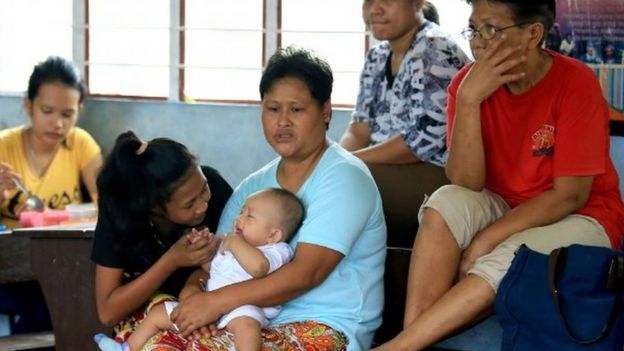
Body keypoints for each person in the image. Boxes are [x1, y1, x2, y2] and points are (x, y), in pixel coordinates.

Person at [373, 0, 624, 350]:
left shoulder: (575, 82)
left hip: (583, 215)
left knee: (510, 251)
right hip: (503, 203)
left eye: (491, 29)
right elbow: (465, 181)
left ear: (533, 34)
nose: (477, 41)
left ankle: (401, 346)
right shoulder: (466, 84)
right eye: (473, 29)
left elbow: (570, 195)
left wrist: (487, 239)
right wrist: (470, 100)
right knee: (445, 201)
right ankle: (415, 337)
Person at [141, 46, 387, 351]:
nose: (283, 121)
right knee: (153, 341)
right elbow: (213, 264)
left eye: (296, 110)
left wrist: (214, 302)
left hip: (326, 327)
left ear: (326, 112)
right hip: (248, 321)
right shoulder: (254, 186)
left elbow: (306, 273)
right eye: (272, 109)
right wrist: (194, 299)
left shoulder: (345, 177)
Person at [94, 187, 303, 351]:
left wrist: (233, 243)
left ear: (273, 235)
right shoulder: (233, 244)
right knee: (159, 315)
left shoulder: (275, 250)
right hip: (206, 306)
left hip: (242, 307)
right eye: (241, 212)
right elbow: (212, 268)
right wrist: (204, 250)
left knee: (248, 328)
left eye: (250, 217)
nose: (239, 219)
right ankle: (127, 347)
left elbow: (259, 268)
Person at [339, 0, 469, 240]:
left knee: (339, 186)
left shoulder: (434, 48)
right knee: (320, 176)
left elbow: (419, 145)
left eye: (387, 1)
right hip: (383, 166)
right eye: (368, 1)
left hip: (436, 173)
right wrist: (332, 158)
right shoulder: (377, 57)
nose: (374, 9)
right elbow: (359, 128)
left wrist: (345, 162)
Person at [91, 131, 232, 341]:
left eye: (204, 188)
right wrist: (172, 260)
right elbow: (108, 312)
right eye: (189, 204)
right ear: (154, 209)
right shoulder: (122, 214)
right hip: (151, 316)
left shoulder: (216, 188)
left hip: (212, 303)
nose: (203, 204)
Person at [0, 55, 103, 337]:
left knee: (77, 289)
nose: (57, 124)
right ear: (28, 105)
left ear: (79, 110)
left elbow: (105, 199)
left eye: (67, 114)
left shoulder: (81, 144)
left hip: (63, 263)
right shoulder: (4, 149)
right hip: (11, 271)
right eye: (47, 111)